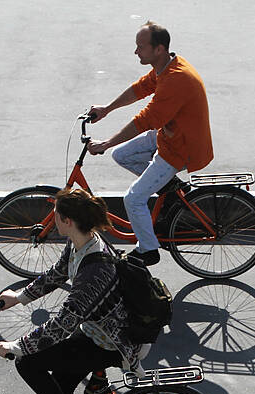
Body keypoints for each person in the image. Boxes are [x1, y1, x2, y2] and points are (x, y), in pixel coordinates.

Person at [0, 189, 144, 394]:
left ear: (66, 221)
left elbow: (64, 323)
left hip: (109, 342)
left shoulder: (95, 268)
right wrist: (18, 297)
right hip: (94, 330)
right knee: (60, 382)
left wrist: (18, 346)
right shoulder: (81, 242)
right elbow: (58, 273)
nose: (52, 220)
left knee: (27, 363)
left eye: (55, 216)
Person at [86, 21, 212, 267]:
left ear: (159, 49)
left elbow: (146, 119)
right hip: (169, 136)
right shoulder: (166, 66)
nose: (136, 52)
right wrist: (107, 110)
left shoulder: (176, 79)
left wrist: (106, 143)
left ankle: (148, 250)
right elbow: (140, 89)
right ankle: (173, 190)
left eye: (140, 47)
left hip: (180, 148)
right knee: (121, 155)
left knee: (133, 199)